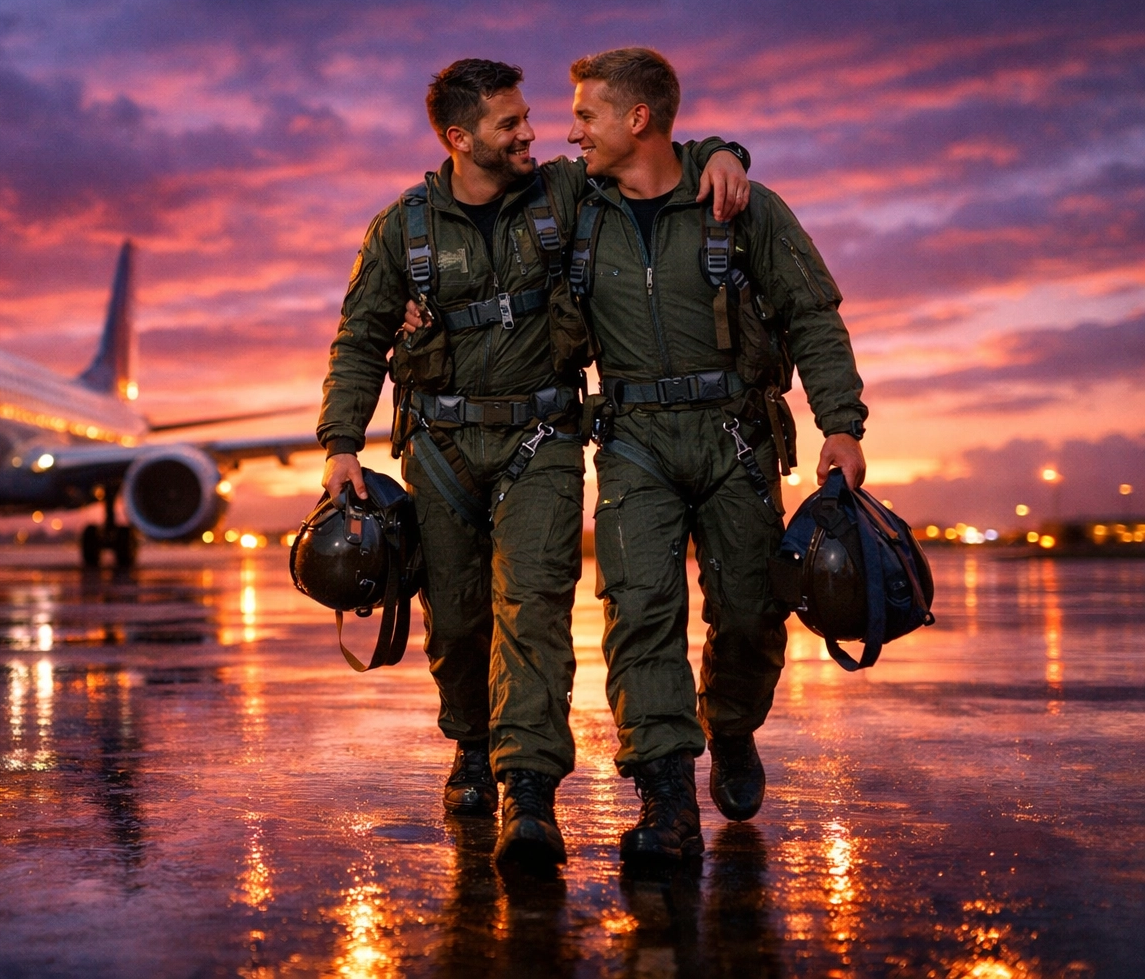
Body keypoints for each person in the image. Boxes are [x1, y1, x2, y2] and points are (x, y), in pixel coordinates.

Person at [316, 57, 750, 869]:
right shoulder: (400, 230)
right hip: (440, 448)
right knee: (457, 622)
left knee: (534, 612)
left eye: (529, 119)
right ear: (459, 137)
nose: (532, 133)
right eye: (510, 123)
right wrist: (341, 445)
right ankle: (473, 748)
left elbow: (652, 150)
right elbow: (358, 341)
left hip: (541, 442)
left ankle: (528, 795)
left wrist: (726, 152)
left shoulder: (560, 191)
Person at [563, 46, 868, 864]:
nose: (570, 131)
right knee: (639, 611)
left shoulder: (747, 206)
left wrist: (842, 423)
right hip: (633, 441)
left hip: (736, 434)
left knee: (749, 608)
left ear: (638, 119)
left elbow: (812, 314)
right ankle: (665, 794)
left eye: (586, 114)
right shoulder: (573, 210)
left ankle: (730, 725)